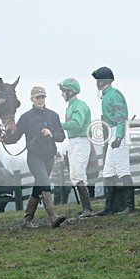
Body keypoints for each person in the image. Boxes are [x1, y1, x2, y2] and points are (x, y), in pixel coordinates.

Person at [1, 86, 67, 227]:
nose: (40, 100)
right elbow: (16, 137)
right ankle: (53, 216)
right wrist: (4, 139)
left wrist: (51, 134)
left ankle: (27, 219)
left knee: (39, 187)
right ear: (32, 99)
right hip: (34, 156)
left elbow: (61, 136)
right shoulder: (25, 118)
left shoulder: (53, 115)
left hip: (49, 156)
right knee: (44, 182)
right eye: (37, 97)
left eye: (42, 97)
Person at [92, 67, 136, 216]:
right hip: (113, 132)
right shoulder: (105, 95)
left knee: (123, 170)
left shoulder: (114, 94)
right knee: (108, 171)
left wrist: (118, 137)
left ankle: (130, 207)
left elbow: (120, 117)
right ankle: (108, 207)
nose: (96, 83)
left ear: (102, 81)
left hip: (119, 132)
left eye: (97, 80)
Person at [58, 77, 94, 217]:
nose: (62, 94)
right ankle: (86, 207)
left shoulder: (79, 106)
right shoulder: (71, 106)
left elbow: (77, 124)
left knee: (78, 173)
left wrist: (58, 125)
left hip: (81, 141)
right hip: (74, 141)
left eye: (63, 91)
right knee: (75, 175)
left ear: (71, 92)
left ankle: (88, 208)